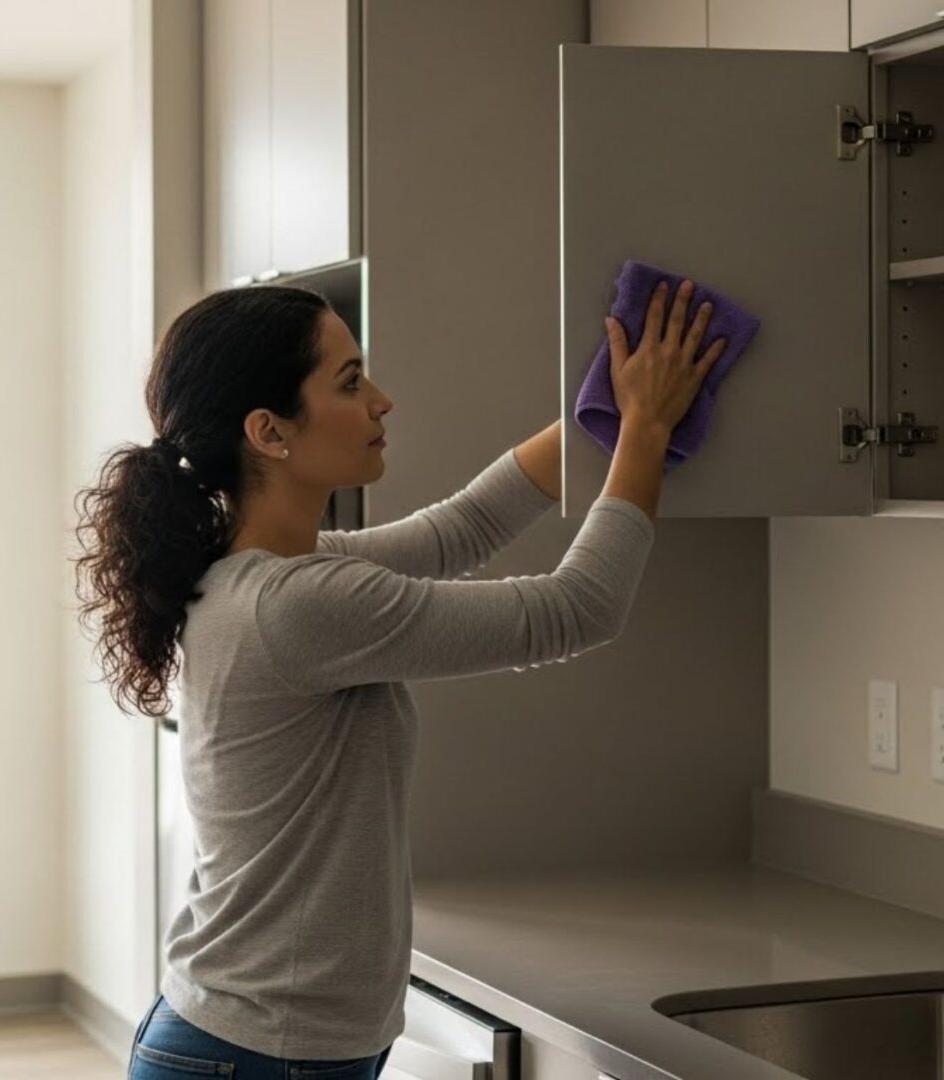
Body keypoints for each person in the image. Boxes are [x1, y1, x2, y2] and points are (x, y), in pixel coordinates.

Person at [73, 278, 723, 1079]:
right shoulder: (296, 605)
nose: (382, 401)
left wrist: (609, 408)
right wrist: (647, 433)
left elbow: (461, 530)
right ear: (270, 432)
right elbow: (575, 610)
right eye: (349, 382)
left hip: (254, 1044)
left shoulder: (269, 576)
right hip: (258, 1056)